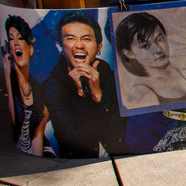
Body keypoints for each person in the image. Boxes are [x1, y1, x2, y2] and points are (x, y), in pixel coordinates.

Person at [41, 11, 127, 158]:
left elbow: (119, 135)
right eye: (71, 38)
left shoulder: (112, 78)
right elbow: (80, 142)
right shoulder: (53, 87)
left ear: (99, 47)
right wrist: (81, 94)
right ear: (59, 47)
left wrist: (99, 97)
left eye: (86, 39)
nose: (79, 45)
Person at [114, 12, 186, 109]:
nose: (158, 49)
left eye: (160, 39)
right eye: (146, 46)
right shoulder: (141, 91)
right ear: (129, 54)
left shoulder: (179, 69)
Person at [3, 15, 51, 156]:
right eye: (12, 39)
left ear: (30, 49)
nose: (16, 43)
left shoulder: (38, 89)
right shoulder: (11, 78)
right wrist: (7, 70)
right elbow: (13, 119)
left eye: (20, 38)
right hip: (20, 144)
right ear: (9, 48)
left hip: (40, 148)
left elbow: (38, 136)